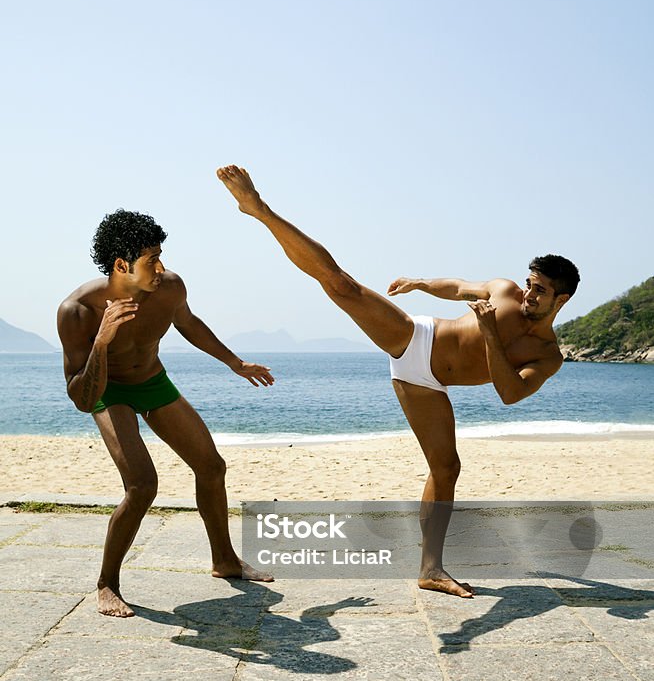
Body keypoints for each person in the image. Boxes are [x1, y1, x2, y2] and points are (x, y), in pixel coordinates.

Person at [216, 165, 580, 598]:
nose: (528, 294)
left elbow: (509, 393)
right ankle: (259, 209)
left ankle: (431, 570)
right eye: (529, 284)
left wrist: (487, 335)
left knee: (447, 468)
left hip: (426, 384)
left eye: (539, 290)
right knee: (341, 285)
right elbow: (460, 286)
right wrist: (420, 282)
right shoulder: (503, 292)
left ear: (562, 299)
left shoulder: (547, 356)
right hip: (415, 337)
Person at [57, 208, 275, 617]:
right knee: (142, 485)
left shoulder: (170, 288)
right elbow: (82, 398)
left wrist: (234, 362)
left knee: (211, 466)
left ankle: (224, 560)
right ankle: (108, 582)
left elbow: (189, 323)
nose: (161, 267)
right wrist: (102, 343)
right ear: (121, 265)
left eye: (161, 255)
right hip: (107, 389)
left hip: (153, 380)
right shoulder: (79, 311)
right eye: (150, 259)